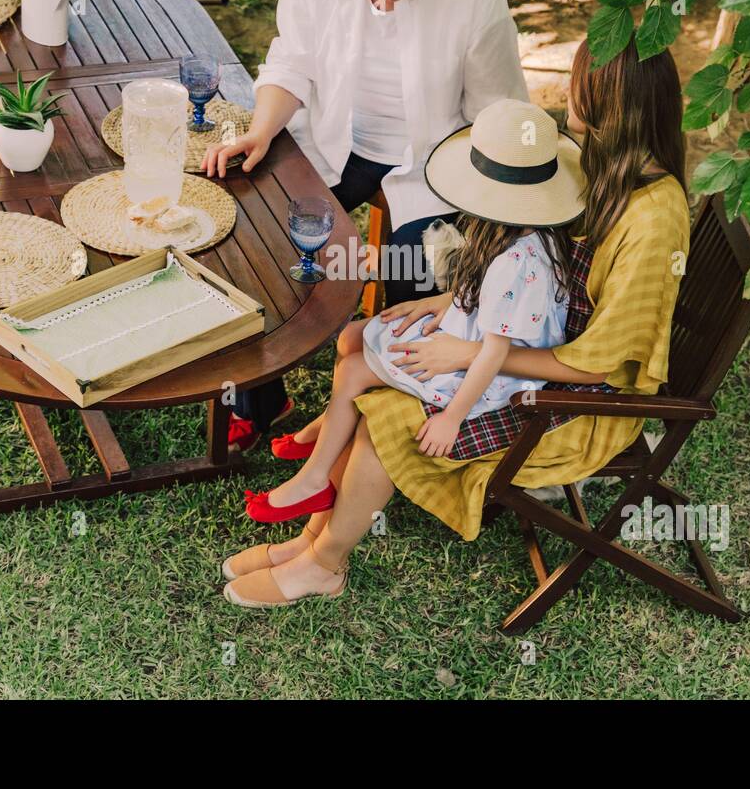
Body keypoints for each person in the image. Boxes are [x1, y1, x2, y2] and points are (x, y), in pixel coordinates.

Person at [218, 39, 691, 609]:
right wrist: (450, 304)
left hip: (581, 400)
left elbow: (598, 361)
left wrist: (466, 353)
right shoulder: (607, 169)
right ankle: (310, 539)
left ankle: (323, 565)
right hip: (529, 348)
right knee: (377, 373)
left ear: (610, 107)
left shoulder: (654, 218)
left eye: (579, 85)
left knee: (384, 418)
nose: (568, 96)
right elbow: (528, 268)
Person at [201, 0, 528, 454]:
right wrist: (261, 129)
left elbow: (493, 117)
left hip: (434, 161)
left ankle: (375, 423)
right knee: (264, 232)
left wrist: (488, 216)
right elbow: (292, 62)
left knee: (413, 269)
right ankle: (261, 399)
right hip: (334, 139)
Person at [240, 99, 582, 528]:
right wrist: (448, 301)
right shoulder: (506, 228)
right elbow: (480, 293)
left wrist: (452, 419)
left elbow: (494, 351)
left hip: (489, 375)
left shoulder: (518, 260)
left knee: (353, 372)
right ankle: (329, 427)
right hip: (468, 330)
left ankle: (313, 480)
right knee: (352, 338)